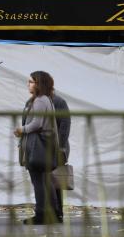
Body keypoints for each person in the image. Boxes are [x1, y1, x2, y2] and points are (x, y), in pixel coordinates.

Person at [14, 71, 59, 225]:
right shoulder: (47, 99)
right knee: (46, 181)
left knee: (39, 182)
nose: (28, 84)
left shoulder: (40, 100)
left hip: (38, 147)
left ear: (39, 84)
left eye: (31, 82)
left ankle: (41, 215)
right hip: (45, 145)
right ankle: (54, 214)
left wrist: (21, 129)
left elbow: (37, 123)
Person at [52, 93, 71, 223]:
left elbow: (65, 125)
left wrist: (61, 147)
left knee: (55, 180)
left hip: (56, 147)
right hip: (39, 147)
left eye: (32, 82)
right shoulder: (33, 101)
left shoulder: (58, 102)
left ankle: (57, 213)